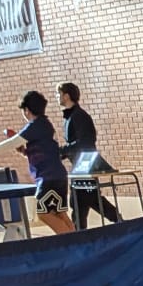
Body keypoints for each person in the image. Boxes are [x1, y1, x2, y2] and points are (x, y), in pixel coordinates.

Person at [0, 90, 75, 234]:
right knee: (59, 214)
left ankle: (68, 241)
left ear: (26, 110)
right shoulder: (45, 125)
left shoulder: (34, 126)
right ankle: (78, 241)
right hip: (58, 175)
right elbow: (44, 152)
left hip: (48, 178)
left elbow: (11, 142)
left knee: (44, 214)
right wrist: (24, 152)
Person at [56, 83, 122, 229]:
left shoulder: (79, 116)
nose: (57, 97)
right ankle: (82, 232)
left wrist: (62, 151)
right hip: (79, 165)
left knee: (88, 199)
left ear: (66, 96)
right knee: (81, 202)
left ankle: (118, 222)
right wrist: (62, 153)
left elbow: (84, 142)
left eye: (58, 94)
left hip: (85, 164)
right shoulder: (70, 117)